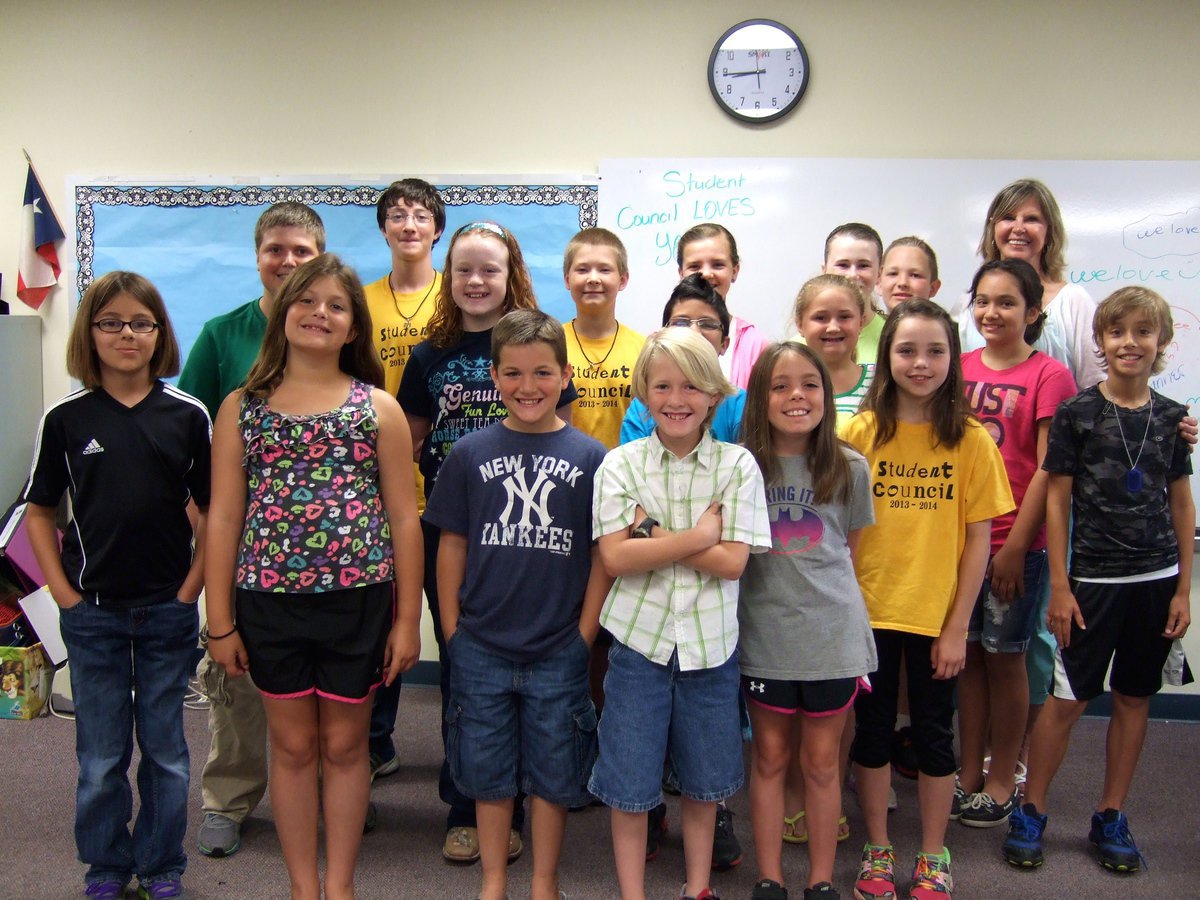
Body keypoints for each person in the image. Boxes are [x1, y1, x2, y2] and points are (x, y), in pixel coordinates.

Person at [204, 254, 424, 900]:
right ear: (281, 312)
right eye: (306, 301)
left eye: (335, 305)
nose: (319, 314)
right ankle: (305, 886)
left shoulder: (377, 409)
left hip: (359, 603)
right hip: (267, 603)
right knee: (294, 748)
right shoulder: (242, 409)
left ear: (354, 326)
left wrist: (408, 619)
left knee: (347, 748)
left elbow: (404, 520)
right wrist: (220, 622)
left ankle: (342, 885)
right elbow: (222, 519)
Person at [24, 271, 211, 900]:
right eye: (112, 323)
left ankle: (161, 867)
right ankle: (106, 866)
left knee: (165, 753)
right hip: (93, 614)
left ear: (159, 334)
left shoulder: (187, 415)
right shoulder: (67, 419)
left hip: (167, 611)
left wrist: (191, 591)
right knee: (101, 757)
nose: (127, 334)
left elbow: (213, 513)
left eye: (141, 323)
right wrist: (62, 595)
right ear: (90, 333)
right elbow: (40, 511)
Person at [398, 221, 576, 864]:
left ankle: (523, 804)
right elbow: (407, 444)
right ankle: (465, 804)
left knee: (534, 683)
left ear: (512, 274)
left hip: (531, 534)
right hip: (454, 531)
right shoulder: (428, 356)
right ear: (450, 278)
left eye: (490, 270)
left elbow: (566, 437)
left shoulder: (539, 343)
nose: (476, 281)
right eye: (464, 270)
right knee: (466, 680)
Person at [1003, 287, 1193, 874]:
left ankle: (1111, 813)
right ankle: (1031, 810)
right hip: (1090, 583)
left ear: (1161, 342)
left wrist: (1184, 586)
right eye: (1118, 332)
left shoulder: (1171, 418)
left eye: (1143, 332)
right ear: (1101, 341)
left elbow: (1181, 503)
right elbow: (1056, 502)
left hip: (1156, 581)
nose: (1130, 343)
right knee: (1067, 700)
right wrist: (1060, 585)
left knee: (1134, 698)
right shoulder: (1078, 414)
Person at [424, 309, 610, 900]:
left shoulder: (591, 458)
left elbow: (604, 555)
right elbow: (451, 543)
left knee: (556, 776)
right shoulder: (469, 454)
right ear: (496, 378)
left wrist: (584, 635)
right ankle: (495, 882)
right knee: (486, 771)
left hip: (559, 645)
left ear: (563, 376)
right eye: (513, 373)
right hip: (480, 644)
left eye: (542, 373)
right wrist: (452, 630)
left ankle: (545, 883)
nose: (528, 387)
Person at [589, 327, 771, 900]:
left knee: (703, 782)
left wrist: (654, 532)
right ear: (643, 393)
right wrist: (697, 536)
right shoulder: (620, 464)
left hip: (710, 651)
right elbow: (617, 557)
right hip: (639, 647)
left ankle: (697, 889)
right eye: (662, 385)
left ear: (714, 395)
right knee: (629, 783)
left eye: (691, 386)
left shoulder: (738, 465)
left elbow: (735, 564)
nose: (676, 398)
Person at [841, 299, 1013, 900]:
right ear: (886, 357)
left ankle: (934, 852)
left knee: (937, 735)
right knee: (873, 733)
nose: (921, 363)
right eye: (907, 350)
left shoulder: (969, 440)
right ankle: (879, 848)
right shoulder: (858, 433)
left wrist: (957, 626)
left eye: (935, 350)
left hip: (936, 617)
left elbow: (977, 542)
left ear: (953, 359)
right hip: (865, 615)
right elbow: (837, 528)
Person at [178, 201, 325, 859]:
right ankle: (229, 799)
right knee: (231, 668)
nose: (288, 262)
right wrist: (203, 517)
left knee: (321, 672)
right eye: (276, 250)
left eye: (301, 251)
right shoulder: (222, 334)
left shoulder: (336, 331)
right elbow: (188, 434)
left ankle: (327, 790)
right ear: (258, 256)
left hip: (320, 544)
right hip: (235, 534)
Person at [738, 342, 877, 900]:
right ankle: (770, 877)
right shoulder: (740, 464)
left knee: (822, 764)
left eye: (810, 384)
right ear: (760, 398)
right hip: (765, 637)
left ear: (827, 394)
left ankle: (821, 880)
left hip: (832, 640)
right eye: (780, 386)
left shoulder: (849, 466)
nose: (797, 395)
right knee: (770, 757)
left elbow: (851, 553)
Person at [955, 260, 1076, 829]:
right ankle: (969, 774)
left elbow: (1051, 469)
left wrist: (1016, 545)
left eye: (1006, 302)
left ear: (1033, 313)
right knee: (970, 661)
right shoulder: (959, 367)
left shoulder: (1050, 375)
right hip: (961, 545)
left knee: (1007, 661)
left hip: (1012, 548)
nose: (991, 312)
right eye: (982, 300)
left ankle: (1004, 775)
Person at [361, 177, 446, 783]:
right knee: (381, 622)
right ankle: (374, 739)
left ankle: (466, 745)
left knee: (453, 621)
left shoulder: (460, 297)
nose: (409, 224)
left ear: (437, 229)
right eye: (398, 215)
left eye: (421, 215)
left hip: (445, 487)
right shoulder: (359, 303)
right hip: (375, 486)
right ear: (384, 229)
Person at [621, 274, 745, 445]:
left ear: (724, 343)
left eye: (707, 324)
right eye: (681, 323)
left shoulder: (739, 404)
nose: (694, 332)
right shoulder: (642, 408)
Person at [562, 226, 644, 450]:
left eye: (605, 270)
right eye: (583, 269)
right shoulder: (551, 345)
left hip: (627, 474)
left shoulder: (644, 349)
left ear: (623, 279)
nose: (593, 278)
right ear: (567, 279)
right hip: (566, 472)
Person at [677, 222, 767, 389]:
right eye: (694, 266)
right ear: (681, 273)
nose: (705, 274)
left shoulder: (754, 343)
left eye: (718, 264)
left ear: (735, 270)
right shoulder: (660, 341)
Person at [792, 273, 874, 427]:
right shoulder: (788, 389)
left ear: (861, 322)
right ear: (800, 324)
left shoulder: (881, 384)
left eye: (844, 317)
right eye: (821, 318)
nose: (833, 328)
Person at [822, 224, 885, 365]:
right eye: (843, 265)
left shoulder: (895, 337)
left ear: (879, 274)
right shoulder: (800, 346)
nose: (852, 275)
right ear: (824, 271)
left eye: (863, 265)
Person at [878, 237, 941, 313]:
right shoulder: (860, 324)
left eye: (915, 275)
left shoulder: (946, 325)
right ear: (879, 282)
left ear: (933, 288)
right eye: (893, 273)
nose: (902, 283)